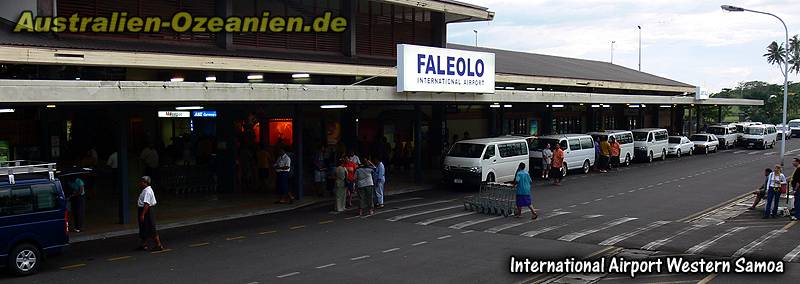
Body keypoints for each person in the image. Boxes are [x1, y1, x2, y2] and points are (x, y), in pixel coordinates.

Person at [137, 176, 164, 251]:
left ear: (145, 183)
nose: (140, 183)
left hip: (147, 211)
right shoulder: (145, 190)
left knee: (151, 228)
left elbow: (146, 204)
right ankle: (144, 244)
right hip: (144, 210)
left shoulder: (147, 191)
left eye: (142, 181)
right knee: (143, 227)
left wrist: (142, 214)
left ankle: (158, 245)